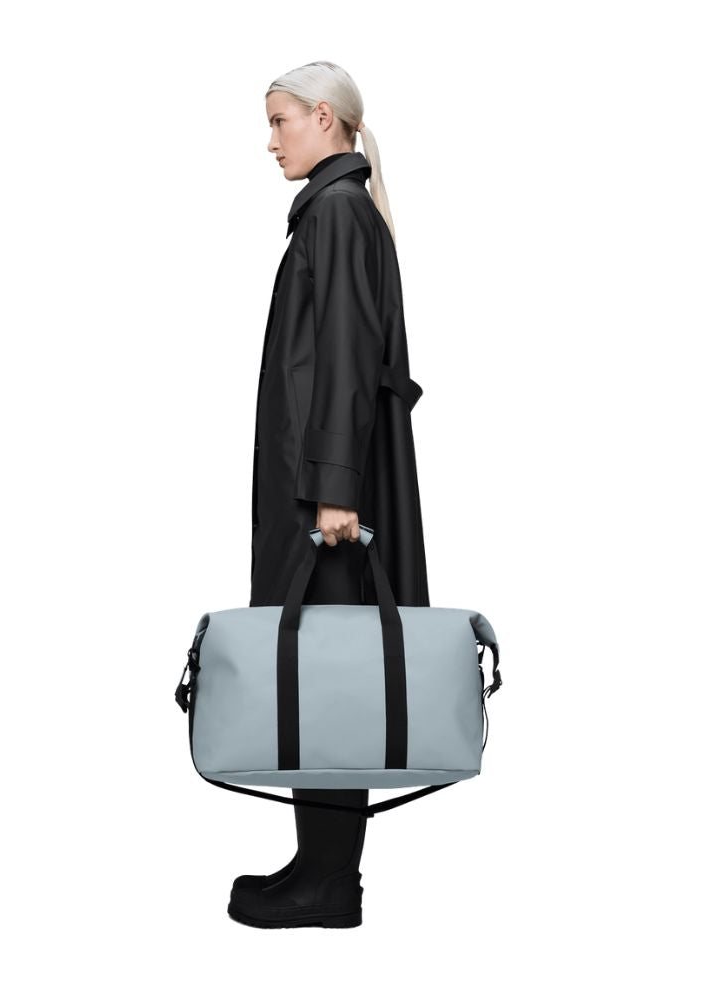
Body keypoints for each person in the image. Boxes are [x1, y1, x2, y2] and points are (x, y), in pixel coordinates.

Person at [228, 61, 429, 929]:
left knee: (330, 679)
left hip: (330, 502)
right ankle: (320, 868)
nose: (270, 141)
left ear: (323, 117)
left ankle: (329, 883)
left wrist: (336, 492)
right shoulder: (338, 210)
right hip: (325, 486)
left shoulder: (339, 212)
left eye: (280, 121)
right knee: (326, 678)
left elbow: (345, 357)